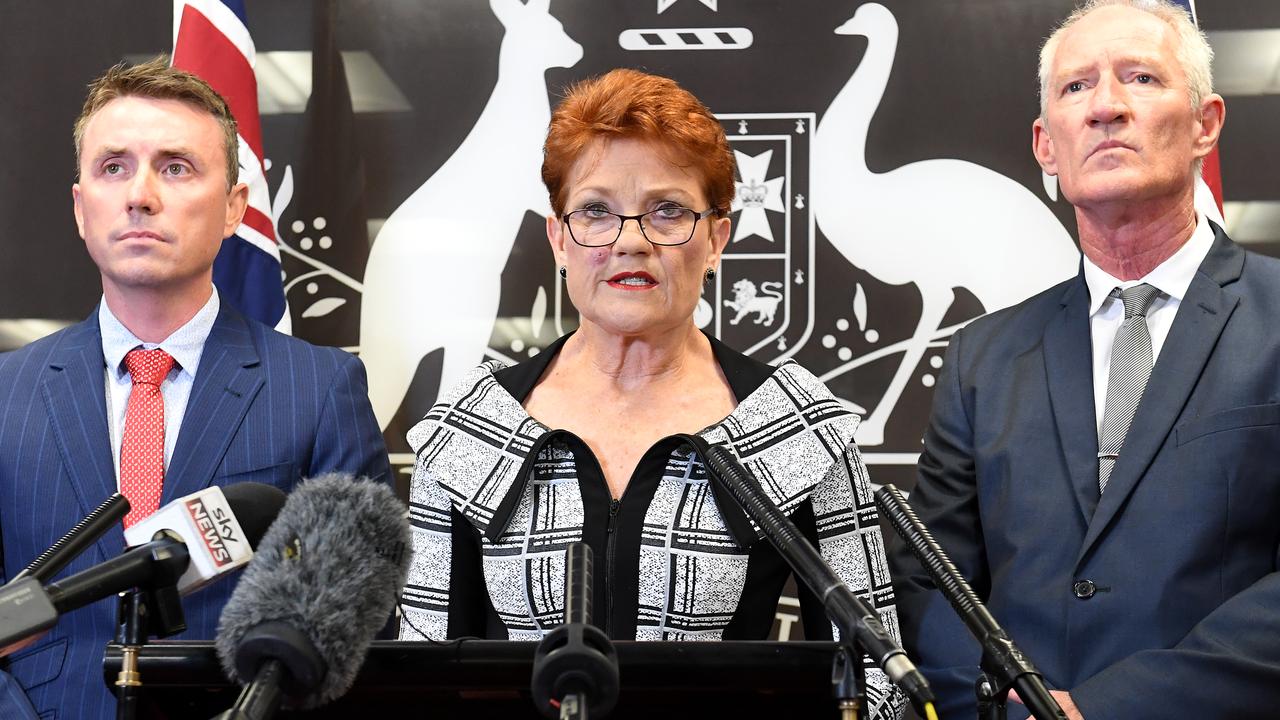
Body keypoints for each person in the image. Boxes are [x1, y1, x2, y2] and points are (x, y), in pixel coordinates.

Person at [398, 68, 905, 718]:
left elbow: (879, 683)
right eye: (596, 211)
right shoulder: (470, 430)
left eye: (668, 210)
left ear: (718, 238)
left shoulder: (799, 428)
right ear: (559, 239)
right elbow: (422, 677)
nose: (630, 240)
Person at [890, 1, 1280, 718]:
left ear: (1206, 124)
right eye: (1077, 87)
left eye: (1140, 78)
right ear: (1046, 145)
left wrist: (1102, 709)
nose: (1106, 107)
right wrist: (1007, 707)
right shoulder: (984, 356)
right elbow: (931, 578)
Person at [0, 58, 390, 720]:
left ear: (236, 207)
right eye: (113, 167)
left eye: (175, 167)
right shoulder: (6, 393)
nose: (140, 195)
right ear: (79, 207)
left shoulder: (321, 388)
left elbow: (360, 620)